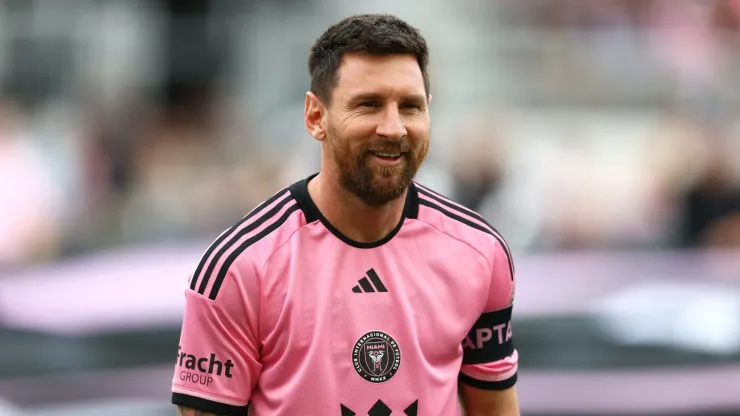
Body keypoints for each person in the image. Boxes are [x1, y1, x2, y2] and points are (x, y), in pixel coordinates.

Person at [172, 13, 519, 416]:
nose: (394, 128)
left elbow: (495, 409)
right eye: (368, 105)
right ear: (316, 117)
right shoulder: (240, 268)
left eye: (409, 106)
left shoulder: (480, 253)